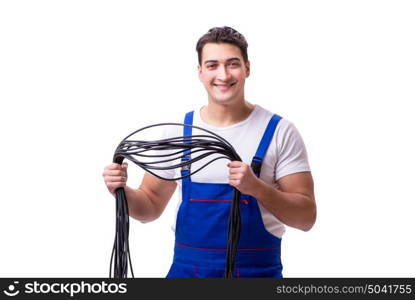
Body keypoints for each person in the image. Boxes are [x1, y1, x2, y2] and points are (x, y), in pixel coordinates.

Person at [103, 26, 316, 278]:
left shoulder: (280, 131)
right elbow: (149, 206)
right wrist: (121, 191)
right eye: (213, 65)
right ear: (200, 72)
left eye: (233, 64)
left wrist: (256, 187)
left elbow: (306, 218)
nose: (223, 75)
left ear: (247, 68)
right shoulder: (180, 132)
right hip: (186, 275)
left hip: (257, 274)